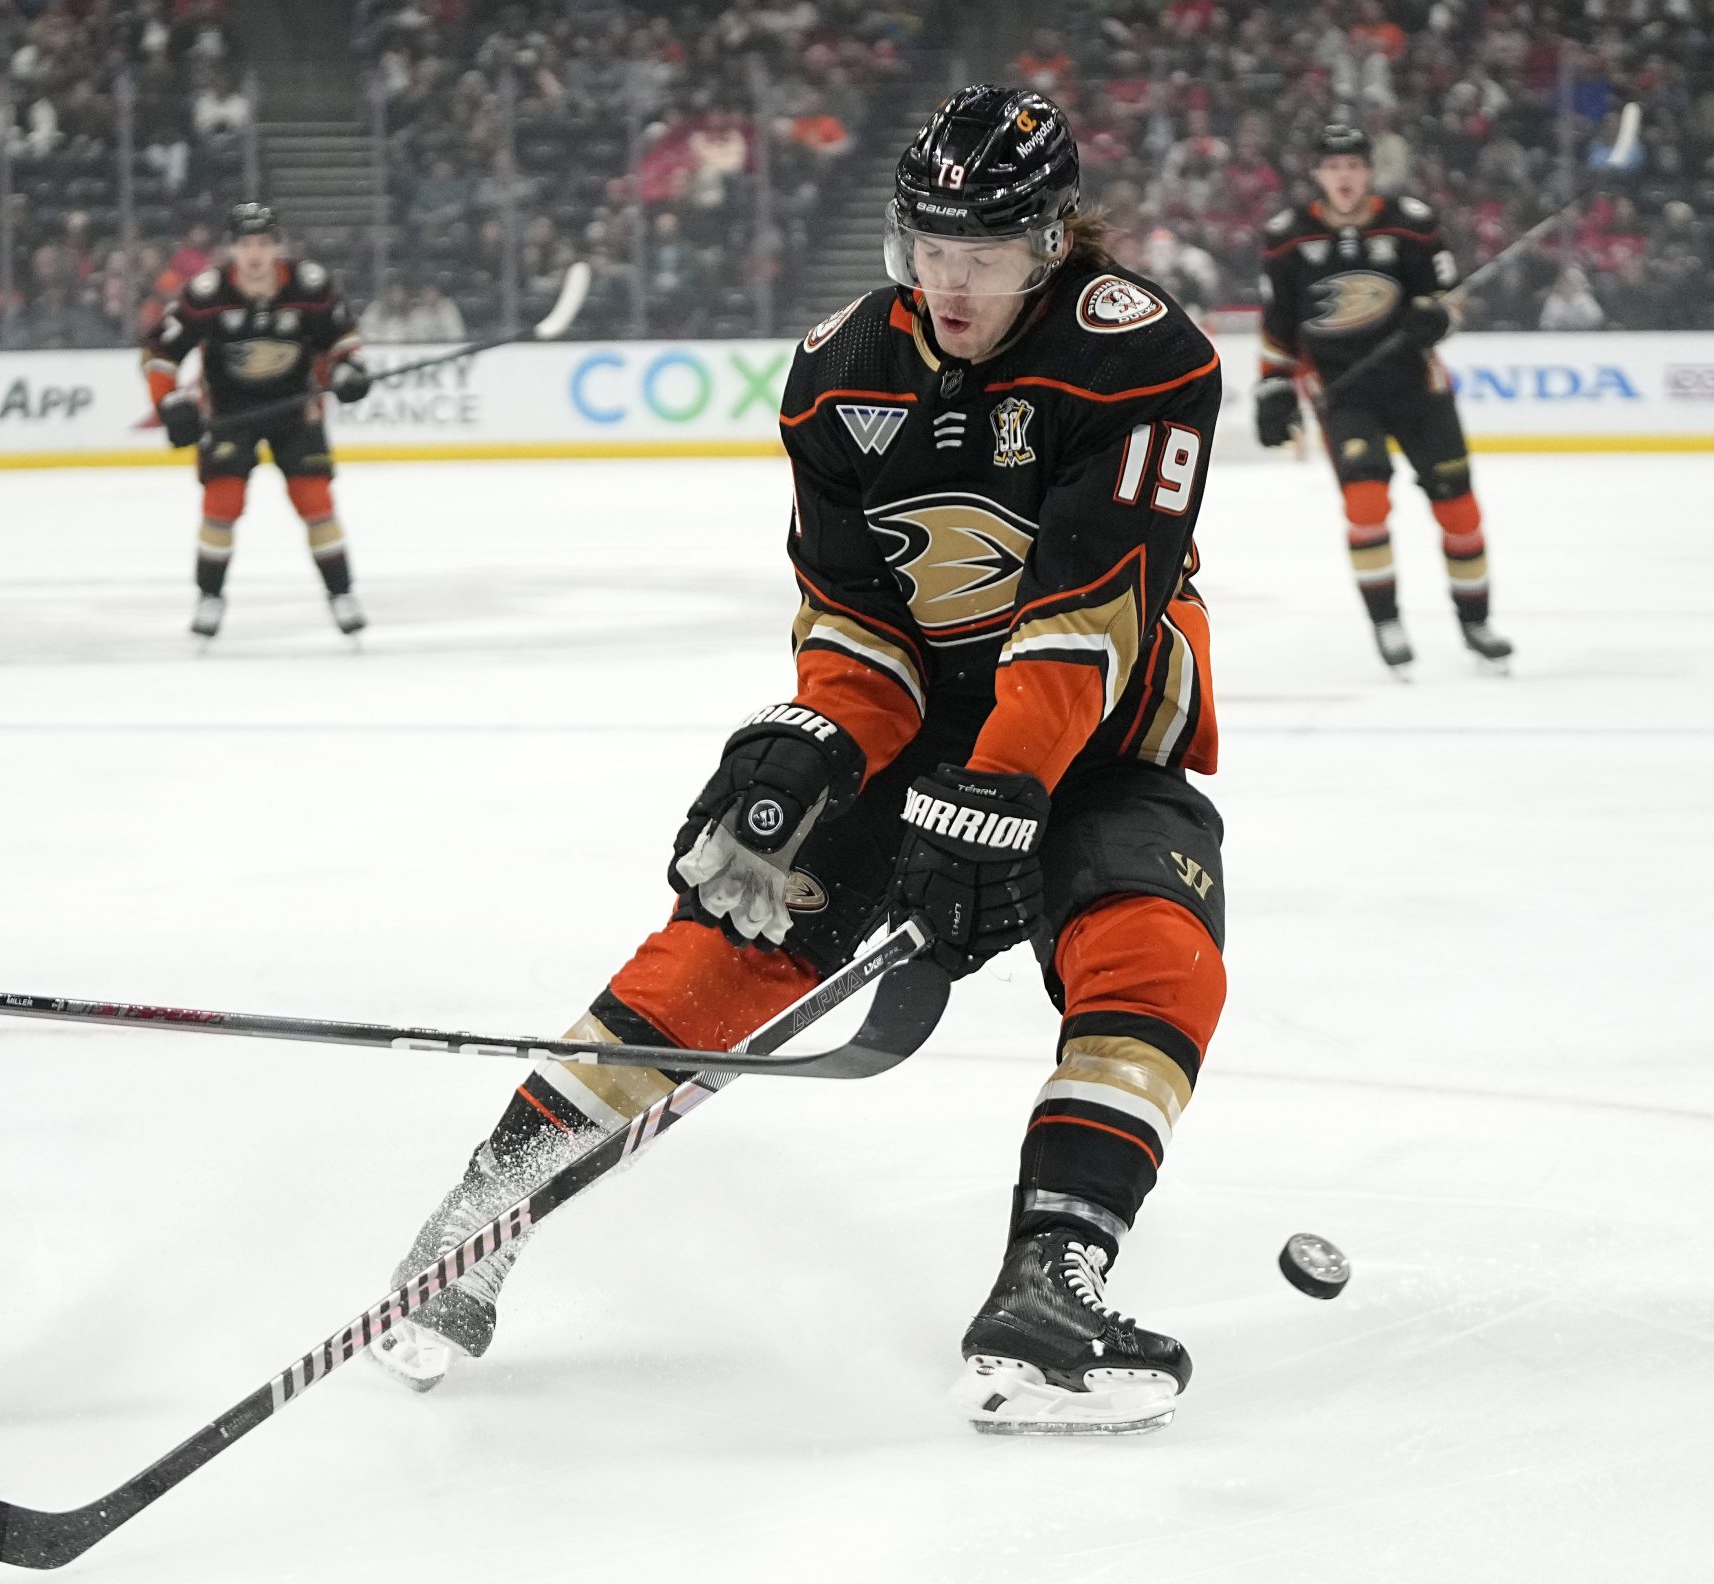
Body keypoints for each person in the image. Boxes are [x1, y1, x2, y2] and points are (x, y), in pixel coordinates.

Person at [367, 86, 1229, 1438]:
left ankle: (1048, 1284)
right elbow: (858, 616)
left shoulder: (1140, 357)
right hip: (935, 734)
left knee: (1156, 947)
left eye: (985, 252)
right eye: (928, 242)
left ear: (1052, 241)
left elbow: (1090, 612)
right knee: (740, 925)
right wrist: (809, 743)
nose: (949, 278)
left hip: (1100, 736)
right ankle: (477, 1211)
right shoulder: (839, 371)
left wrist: (995, 799)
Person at [1255, 122, 1512, 673]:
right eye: (1333, 167)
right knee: (1366, 505)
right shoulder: (1287, 237)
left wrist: (1436, 317)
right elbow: (1278, 325)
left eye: (1353, 166)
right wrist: (1272, 385)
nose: (1344, 177)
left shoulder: (1413, 224)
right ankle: (1386, 621)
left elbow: (1449, 303)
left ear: (1368, 171)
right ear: (1318, 173)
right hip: (1344, 396)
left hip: (1418, 389)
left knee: (1459, 509)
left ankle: (1476, 622)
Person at [140, 202, 373, 640]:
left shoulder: (312, 285)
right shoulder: (205, 295)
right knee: (221, 505)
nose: (255, 255)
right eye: (246, 245)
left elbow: (343, 339)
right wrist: (169, 403)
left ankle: (342, 594)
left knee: (316, 501)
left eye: (264, 244)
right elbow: (159, 353)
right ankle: (209, 597)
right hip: (228, 415)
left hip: (296, 409)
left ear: (278, 247)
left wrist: (347, 370)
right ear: (231, 250)